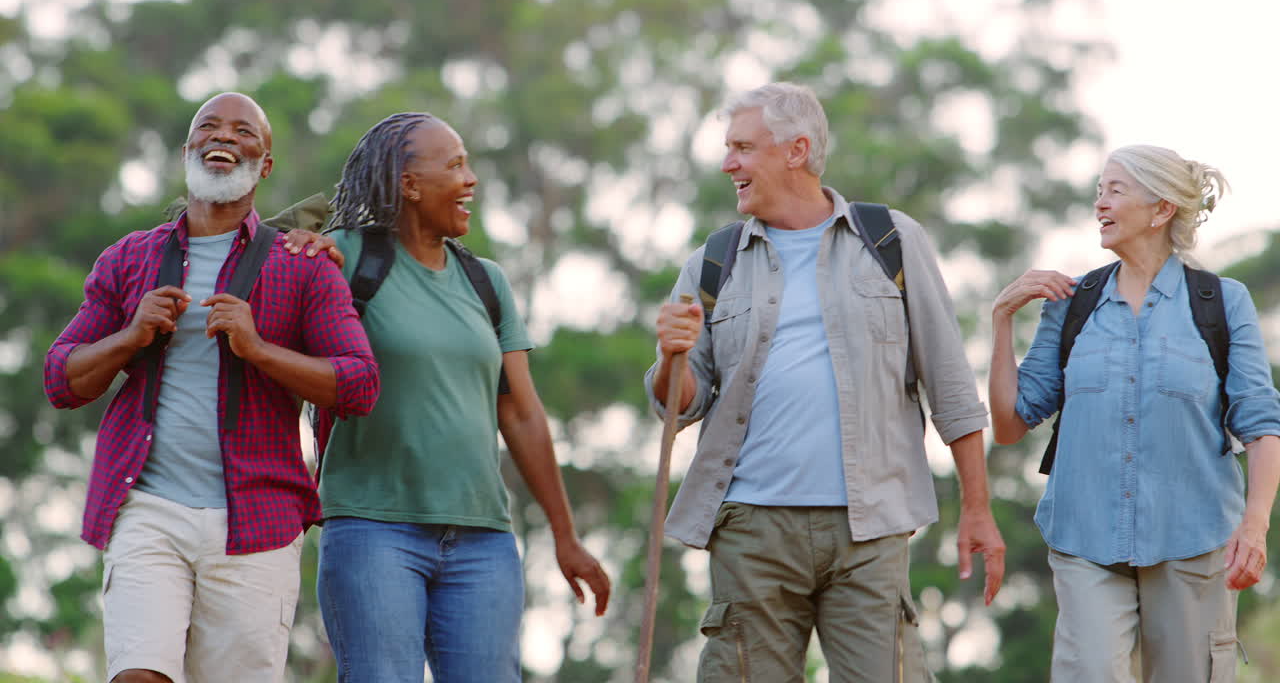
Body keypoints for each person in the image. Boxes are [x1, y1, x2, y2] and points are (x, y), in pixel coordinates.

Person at [644, 82, 1005, 682]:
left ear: (795, 150)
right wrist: (670, 355)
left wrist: (978, 507)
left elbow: (950, 386)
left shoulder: (890, 241)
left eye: (742, 147)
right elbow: (680, 406)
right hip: (750, 529)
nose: (727, 163)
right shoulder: (713, 260)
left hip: (870, 528)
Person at [42, 92, 380, 683]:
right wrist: (130, 336)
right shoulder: (129, 258)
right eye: (209, 126)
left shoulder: (303, 265)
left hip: (257, 521)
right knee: (138, 675)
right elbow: (61, 377)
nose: (224, 136)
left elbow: (359, 383)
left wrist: (258, 349)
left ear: (266, 163)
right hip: (147, 508)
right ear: (188, 149)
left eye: (244, 130)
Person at [281, 111, 611, 682]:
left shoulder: (487, 282)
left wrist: (565, 536)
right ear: (408, 185)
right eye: (455, 165)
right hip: (373, 529)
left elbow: (522, 413)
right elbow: (263, 282)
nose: (471, 179)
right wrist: (300, 246)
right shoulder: (344, 258)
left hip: (482, 539)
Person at [989, 144, 1280, 682]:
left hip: (1194, 539)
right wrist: (1002, 319)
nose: (1100, 202)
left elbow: (1260, 424)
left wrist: (1255, 526)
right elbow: (1010, 424)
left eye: (1115, 190)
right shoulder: (1072, 303)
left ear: (1162, 208)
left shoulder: (1222, 302)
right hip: (1085, 540)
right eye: (1099, 190)